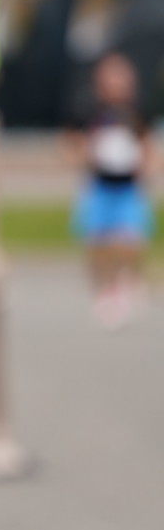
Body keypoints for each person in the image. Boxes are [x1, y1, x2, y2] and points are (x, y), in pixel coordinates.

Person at [69, 52, 155, 328]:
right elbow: (73, 142)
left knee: (129, 239)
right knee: (99, 242)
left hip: (127, 186)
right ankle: (105, 290)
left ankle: (125, 281)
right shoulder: (89, 110)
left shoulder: (137, 111)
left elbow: (146, 144)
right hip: (100, 184)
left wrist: (147, 165)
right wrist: (85, 155)